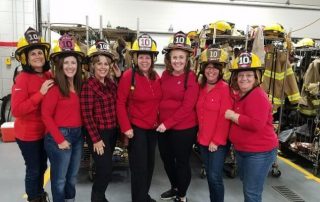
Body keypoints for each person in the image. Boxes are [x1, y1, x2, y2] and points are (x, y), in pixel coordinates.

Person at [225, 51, 278, 202]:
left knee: (252, 192)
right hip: (244, 151)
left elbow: (256, 124)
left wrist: (232, 116)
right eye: (240, 75)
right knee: (249, 188)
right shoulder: (241, 94)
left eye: (249, 75)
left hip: (259, 153)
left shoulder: (258, 96)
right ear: (235, 77)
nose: (244, 79)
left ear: (256, 77)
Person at [117, 33, 162, 202]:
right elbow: (120, 103)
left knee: (150, 166)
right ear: (135, 58)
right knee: (139, 168)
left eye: (148, 57)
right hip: (136, 129)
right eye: (141, 57)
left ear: (152, 59)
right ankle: (138, 198)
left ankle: (144, 195)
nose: (144, 60)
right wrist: (126, 127)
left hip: (153, 129)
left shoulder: (155, 76)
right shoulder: (128, 76)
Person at [156, 31, 199, 202]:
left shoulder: (191, 77)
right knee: (167, 161)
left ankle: (182, 196)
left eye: (181, 57)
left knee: (181, 163)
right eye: (174, 57)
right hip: (163, 127)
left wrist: (167, 124)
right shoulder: (165, 75)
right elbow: (158, 98)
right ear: (169, 58)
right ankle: (175, 187)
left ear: (187, 58)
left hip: (183, 129)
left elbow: (187, 107)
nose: (178, 61)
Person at [11, 27, 53, 202]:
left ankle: (38, 194)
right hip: (28, 135)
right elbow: (17, 110)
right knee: (34, 169)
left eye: (39, 52)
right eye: (33, 54)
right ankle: (34, 198)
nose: (38, 56)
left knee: (42, 167)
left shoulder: (47, 74)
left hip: (44, 132)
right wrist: (40, 94)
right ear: (26, 58)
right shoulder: (22, 79)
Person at [41, 34, 85, 202]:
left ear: (77, 65)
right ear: (59, 65)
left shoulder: (79, 84)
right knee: (59, 180)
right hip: (59, 136)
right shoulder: (55, 87)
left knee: (72, 178)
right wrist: (59, 139)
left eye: (73, 62)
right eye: (66, 62)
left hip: (77, 136)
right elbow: (45, 114)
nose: (70, 66)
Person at [80, 40, 121, 202]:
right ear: (92, 66)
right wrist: (96, 139)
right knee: (105, 170)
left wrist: (119, 77)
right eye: (99, 64)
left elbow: (120, 99)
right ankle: (97, 198)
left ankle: (101, 197)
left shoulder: (111, 83)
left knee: (105, 169)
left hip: (111, 132)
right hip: (98, 134)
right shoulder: (88, 86)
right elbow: (86, 115)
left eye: (106, 64)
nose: (103, 67)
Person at [196, 47, 232, 202]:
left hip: (217, 143)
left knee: (214, 176)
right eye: (208, 67)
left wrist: (216, 141)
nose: (211, 71)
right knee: (211, 176)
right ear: (203, 69)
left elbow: (225, 118)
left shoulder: (225, 89)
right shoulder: (201, 87)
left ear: (220, 70)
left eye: (215, 67)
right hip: (203, 140)